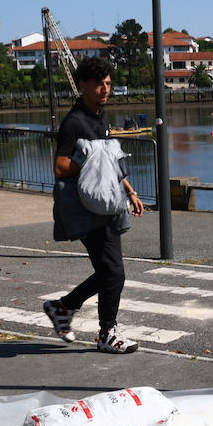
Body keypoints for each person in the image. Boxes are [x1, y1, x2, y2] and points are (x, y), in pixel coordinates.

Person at [43, 56, 146, 353]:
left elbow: (109, 161)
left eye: (108, 83)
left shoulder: (101, 117)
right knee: (113, 271)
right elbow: (61, 167)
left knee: (108, 271)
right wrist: (91, 164)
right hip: (83, 208)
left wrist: (130, 191)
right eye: (99, 84)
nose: (105, 89)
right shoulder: (74, 123)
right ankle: (106, 334)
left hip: (108, 202)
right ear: (83, 85)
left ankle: (63, 308)